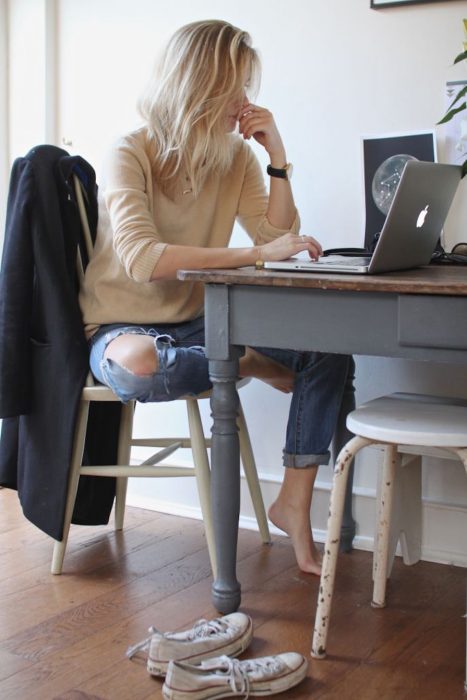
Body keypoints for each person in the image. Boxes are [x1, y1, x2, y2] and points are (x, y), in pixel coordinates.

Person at [79, 19, 352, 575]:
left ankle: (293, 503)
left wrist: (276, 153)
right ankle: (242, 361)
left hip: (201, 324)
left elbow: (276, 237)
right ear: (198, 83)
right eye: (237, 86)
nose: (245, 101)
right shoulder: (128, 151)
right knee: (139, 366)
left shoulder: (235, 157)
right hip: (119, 327)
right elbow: (145, 260)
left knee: (330, 352)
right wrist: (255, 260)